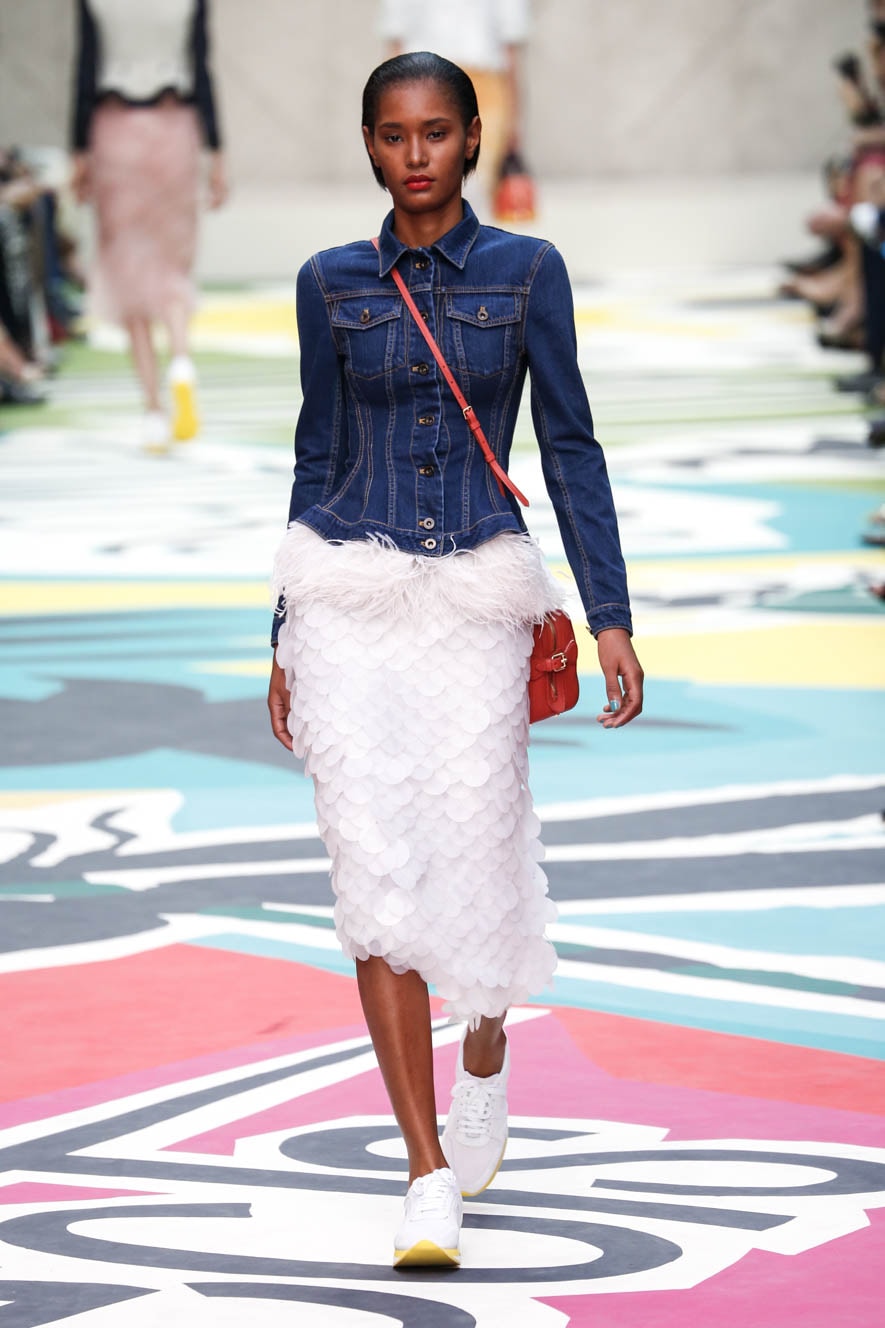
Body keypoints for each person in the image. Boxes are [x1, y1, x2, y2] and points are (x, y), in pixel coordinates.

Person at [267, 51, 643, 1269]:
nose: (415, 154)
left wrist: (608, 611)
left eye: (436, 131)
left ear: (473, 138)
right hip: (348, 596)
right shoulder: (330, 283)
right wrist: (283, 630)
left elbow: (570, 445)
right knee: (373, 872)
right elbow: (315, 455)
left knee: (478, 847)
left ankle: (485, 1045)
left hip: (478, 595)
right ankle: (425, 1170)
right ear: (369, 145)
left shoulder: (528, 272)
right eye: (393, 134)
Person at [69, 0, 228, 451]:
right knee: (172, 264)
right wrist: (217, 152)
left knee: (127, 267)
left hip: (114, 130)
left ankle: (154, 410)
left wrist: (78, 150)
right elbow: (201, 67)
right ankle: (181, 359)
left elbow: (86, 66)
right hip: (175, 128)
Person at [378, 0, 530, 208]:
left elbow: (396, 38)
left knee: (455, 185)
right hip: (448, 80)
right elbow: (510, 46)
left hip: (445, 80)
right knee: (464, 186)